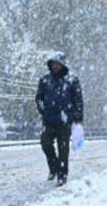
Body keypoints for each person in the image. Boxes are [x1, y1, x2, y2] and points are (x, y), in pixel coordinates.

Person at [35, 53, 83, 186]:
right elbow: (39, 98)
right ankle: (54, 168)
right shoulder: (45, 80)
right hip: (48, 120)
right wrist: (43, 111)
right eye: (53, 64)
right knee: (45, 144)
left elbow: (78, 100)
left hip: (65, 120)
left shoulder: (72, 80)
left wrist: (78, 118)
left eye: (58, 63)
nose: (55, 66)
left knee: (63, 149)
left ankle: (62, 175)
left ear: (63, 64)